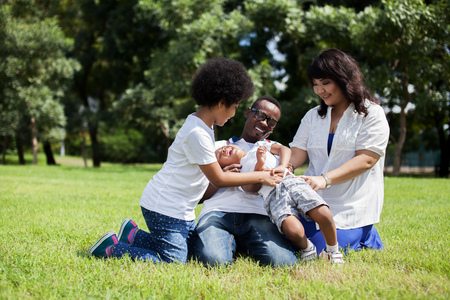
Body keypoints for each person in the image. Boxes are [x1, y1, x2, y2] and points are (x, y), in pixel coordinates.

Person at [88, 57, 283, 263]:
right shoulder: (197, 132)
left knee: (192, 254)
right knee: (173, 261)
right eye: (235, 106)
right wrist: (261, 175)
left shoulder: (205, 126)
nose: (234, 113)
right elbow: (218, 180)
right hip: (164, 207)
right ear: (221, 102)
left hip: (181, 210)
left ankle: (132, 235)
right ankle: (111, 249)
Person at [288, 48, 390, 255]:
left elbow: (366, 160)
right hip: (312, 199)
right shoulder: (313, 116)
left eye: (326, 83)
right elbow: (298, 151)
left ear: (344, 80)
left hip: (350, 203)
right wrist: (285, 168)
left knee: (319, 250)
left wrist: (324, 179)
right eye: (315, 85)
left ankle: (365, 233)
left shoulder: (372, 114)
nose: (320, 90)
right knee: (284, 234)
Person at [194, 96, 300, 267]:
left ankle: (243, 243)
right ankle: (231, 243)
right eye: (260, 115)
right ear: (248, 112)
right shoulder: (219, 148)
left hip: (258, 214)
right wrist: (219, 178)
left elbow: (285, 162)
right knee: (212, 260)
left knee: (284, 263)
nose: (265, 123)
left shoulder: (272, 152)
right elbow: (197, 196)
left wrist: (286, 167)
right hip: (217, 212)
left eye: (271, 122)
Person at [214, 142, 344, 263]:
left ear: (241, 147)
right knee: (293, 230)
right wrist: (259, 165)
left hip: (293, 183)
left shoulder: (260, 145)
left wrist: (282, 165)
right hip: (273, 196)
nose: (224, 149)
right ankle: (308, 248)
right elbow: (250, 189)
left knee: (323, 213)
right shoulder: (239, 174)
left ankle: (332, 251)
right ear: (224, 166)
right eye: (220, 154)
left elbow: (284, 149)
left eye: (224, 147)